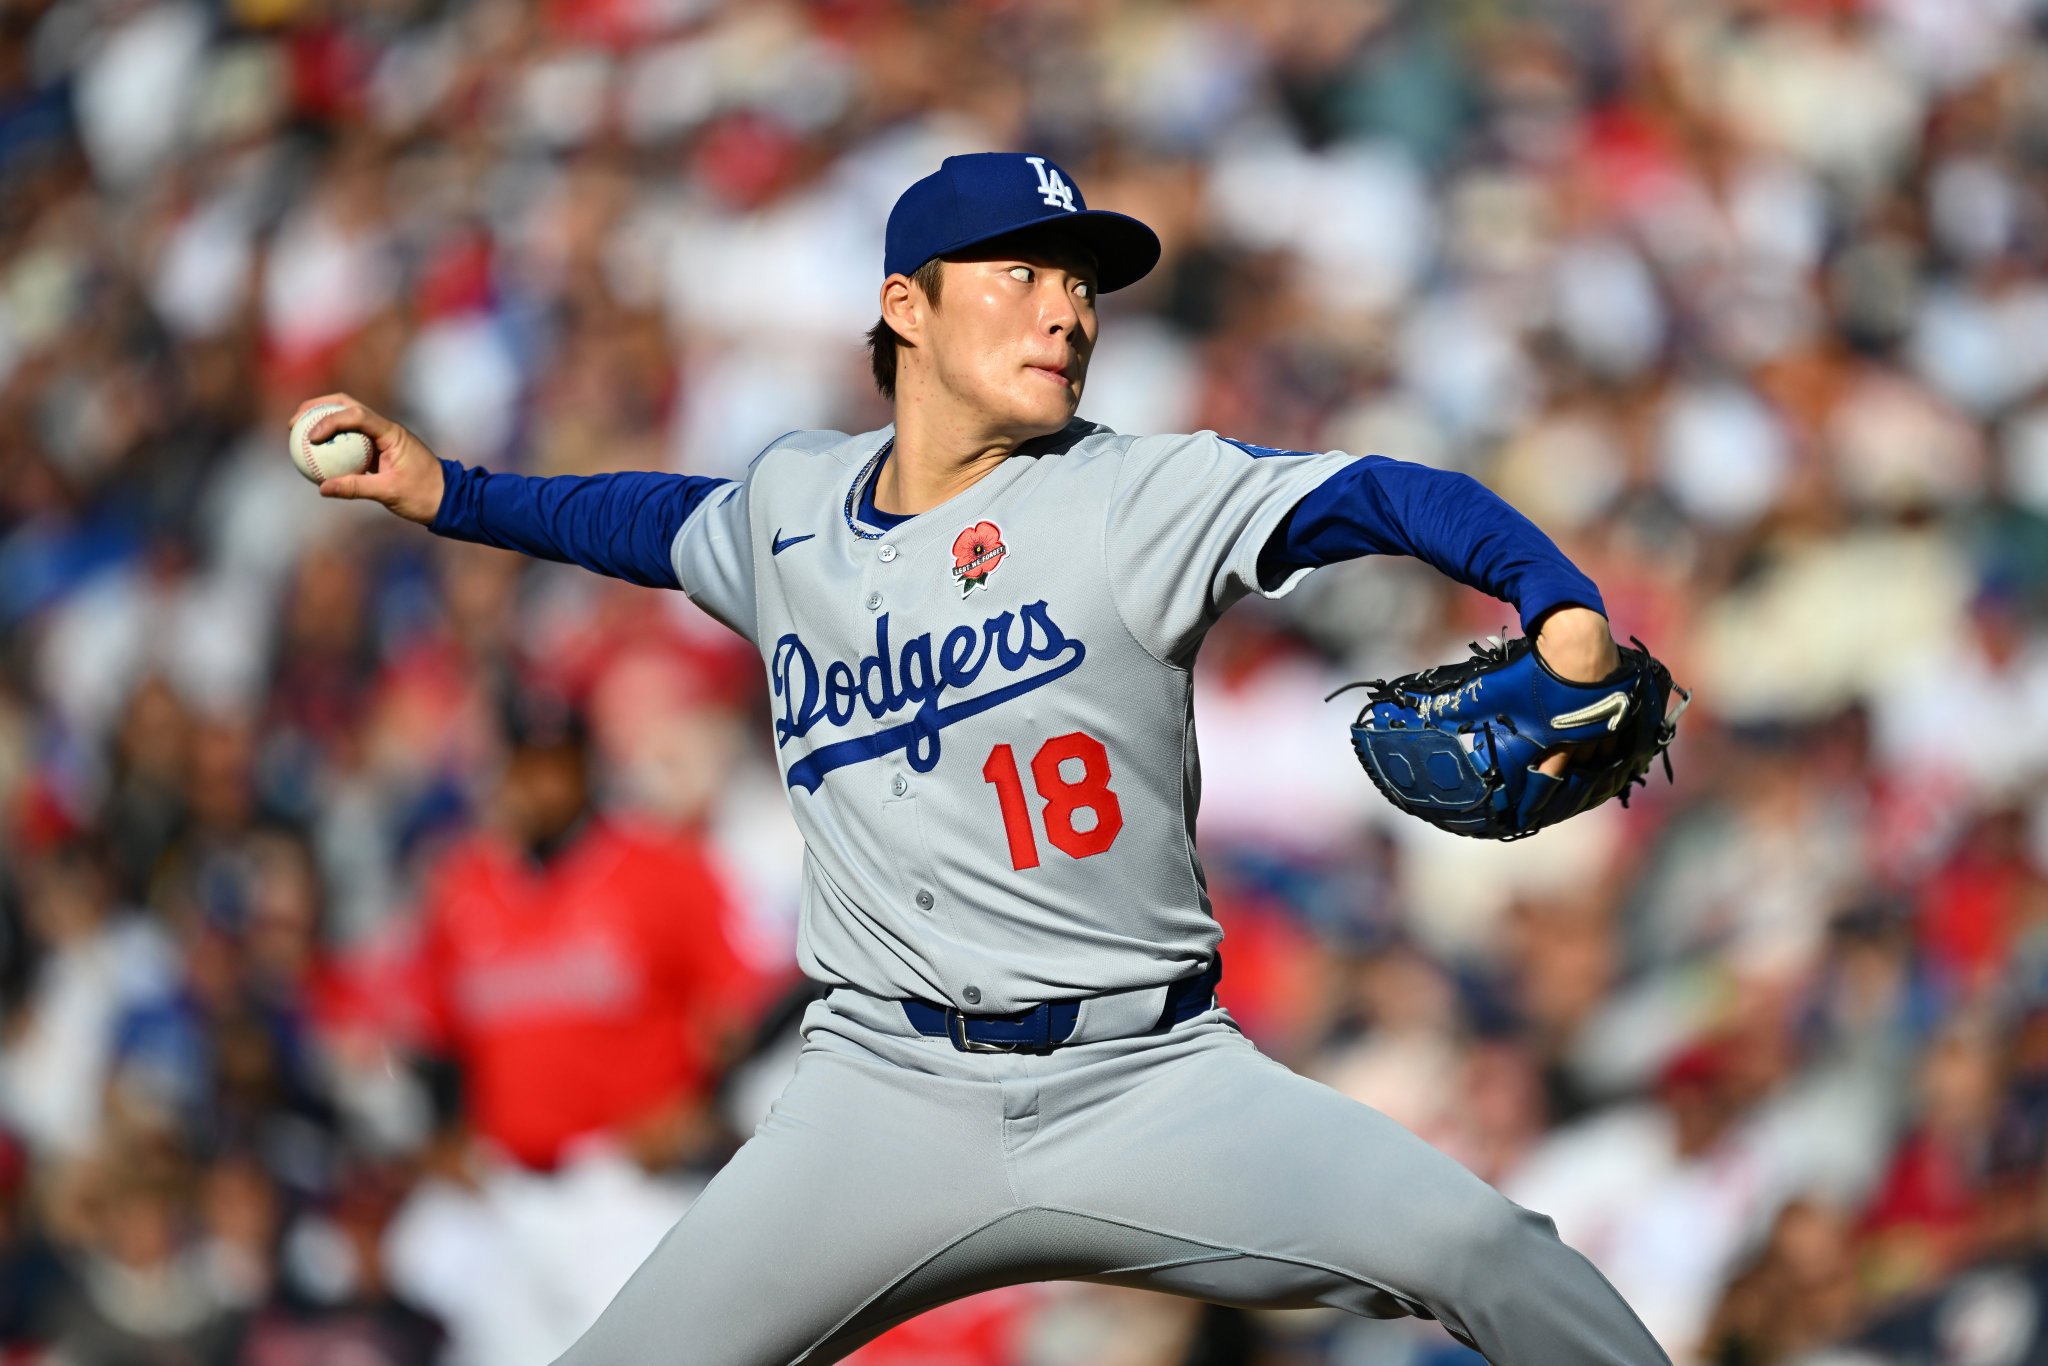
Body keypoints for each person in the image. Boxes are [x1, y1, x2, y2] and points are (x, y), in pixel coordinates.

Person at [294, 152, 1668, 1365]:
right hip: (879, 1098)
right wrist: (451, 492)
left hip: (1152, 1080)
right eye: (1022, 273)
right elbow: (652, 521)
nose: (1068, 310)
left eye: (1081, 284)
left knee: (1495, 1255)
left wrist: (1556, 604)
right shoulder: (789, 510)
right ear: (908, 306)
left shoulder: (1135, 493)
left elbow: (1382, 491)